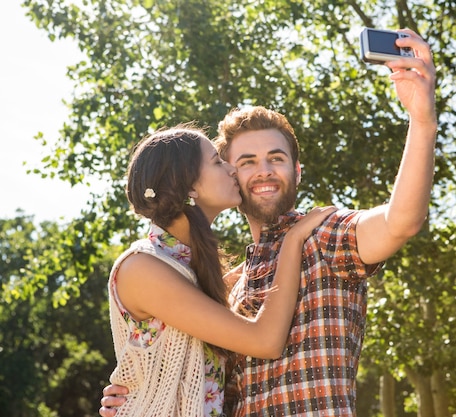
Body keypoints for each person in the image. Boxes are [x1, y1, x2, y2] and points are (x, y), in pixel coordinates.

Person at [101, 28, 436, 416]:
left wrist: (422, 121)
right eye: (244, 162)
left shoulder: (322, 234)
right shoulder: (225, 284)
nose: (262, 172)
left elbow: (401, 221)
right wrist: (138, 393)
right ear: (229, 175)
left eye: (276, 159)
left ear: (297, 171)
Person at [103, 123, 336, 416]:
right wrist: (294, 239)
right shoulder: (143, 267)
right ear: (188, 185)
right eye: (217, 162)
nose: (231, 169)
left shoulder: (197, 272)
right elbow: (265, 341)